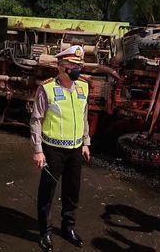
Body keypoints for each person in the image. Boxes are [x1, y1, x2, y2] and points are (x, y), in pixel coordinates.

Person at [30, 45, 91, 252]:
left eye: (79, 65)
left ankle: (68, 227)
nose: (77, 69)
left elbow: (84, 116)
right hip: (52, 150)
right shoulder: (46, 89)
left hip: (75, 149)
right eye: (72, 65)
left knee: (72, 192)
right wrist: (38, 150)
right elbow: (36, 120)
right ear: (60, 67)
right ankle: (45, 232)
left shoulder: (83, 87)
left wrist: (86, 142)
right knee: (47, 193)